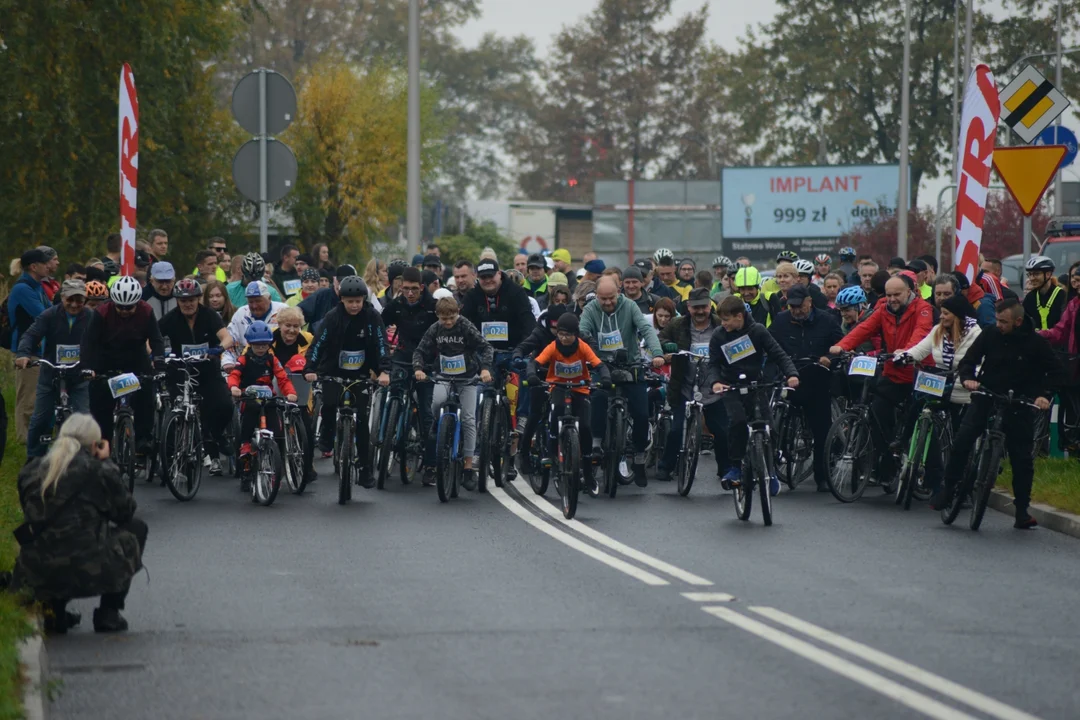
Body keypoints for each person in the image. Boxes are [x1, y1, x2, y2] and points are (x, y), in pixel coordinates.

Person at [930, 299, 1061, 528]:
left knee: (1022, 458)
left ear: (1018, 321)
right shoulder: (990, 334)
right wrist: (968, 379)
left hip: (1019, 403)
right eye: (998, 320)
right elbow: (969, 361)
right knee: (963, 439)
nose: (998, 325)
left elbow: (1056, 372)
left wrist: (1044, 396)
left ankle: (1022, 511)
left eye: (1004, 321)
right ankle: (948, 489)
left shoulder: (1036, 343)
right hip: (987, 395)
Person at [13, 414, 147, 634]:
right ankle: (109, 613)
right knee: (137, 528)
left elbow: (32, 516)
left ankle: (54, 611)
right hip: (89, 572)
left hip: (37, 572)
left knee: (53, 539)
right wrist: (106, 461)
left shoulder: (31, 471)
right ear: (95, 445)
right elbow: (126, 512)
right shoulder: (99, 470)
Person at [829, 276, 934, 484]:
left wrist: (908, 351)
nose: (892, 299)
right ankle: (884, 466)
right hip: (892, 372)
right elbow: (864, 328)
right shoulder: (884, 310)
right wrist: (843, 345)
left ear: (909, 291)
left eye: (897, 294)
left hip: (917, 371)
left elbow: (922, 331)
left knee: (920, 418)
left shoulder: (922, 309)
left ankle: (927, 472)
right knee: (877, 414)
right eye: (888, 295)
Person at [708, 295, 799, 493]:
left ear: (739, 316)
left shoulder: (758, 331)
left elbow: (778, 354)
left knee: (768, 426)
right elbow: (713, 364)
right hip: (731, 386)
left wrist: (791, 374)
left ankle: (771, 471)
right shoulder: (719, 335)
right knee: (737, 422)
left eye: (726, 320)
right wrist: (715, 382)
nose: (723, 324)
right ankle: (735, 467)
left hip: (756, 385)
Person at [579, 276, 664, 486]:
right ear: (596, 295)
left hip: (631, 366)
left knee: (642, 413)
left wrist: (657, 353)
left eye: (611, 298)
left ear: (619, 292)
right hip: (601, 365)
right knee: (597, 398)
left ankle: (638, 458)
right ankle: (597, 443)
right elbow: (582, 333)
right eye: (603, 299)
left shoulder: (631, 306)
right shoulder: (590, 310)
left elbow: (646, 330)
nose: (607, 303)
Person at [303, 277, 389, 475]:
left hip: (361, 372)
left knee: (362, 418)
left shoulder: (372, 316)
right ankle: (327, 435)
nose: (354, 305)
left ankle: (365, 468)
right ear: (342, 300)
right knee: (330, 403)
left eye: (358, 301)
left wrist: (384, 371)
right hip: (334, 370)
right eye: (350, 301)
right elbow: (318, 344)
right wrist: (310, 368)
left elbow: (381, 344)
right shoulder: (333, 317)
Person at [896, 293, 981, 491]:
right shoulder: (937, 331)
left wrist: (971, 378)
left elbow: (979, 363)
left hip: (963, 392)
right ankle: (902, 442)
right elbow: (920, 350)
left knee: (962, 441)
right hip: (941, 386)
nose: (941, 317)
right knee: (918, 404)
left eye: (945, 313)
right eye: (941, 313)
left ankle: (964, 483)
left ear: (957, 315)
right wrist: (904, 357)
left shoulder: (975, 334)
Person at [413, 296, 493, 491]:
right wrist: (418, 368)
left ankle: (467, 467)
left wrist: (485, 369)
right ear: (438, 316)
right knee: (436, 402)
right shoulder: (435, 329)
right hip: (443, 376)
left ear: (458, 313)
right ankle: (436, 427)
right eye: (444, 318)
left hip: (467, 378)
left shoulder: (465, 326)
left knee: (468, 418)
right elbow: (420, 351)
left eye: (452, 317)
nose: (448, 322)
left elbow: (486, 347)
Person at [768, 284, 842, 492]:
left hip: (817, 379)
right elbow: (769, 344)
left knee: (821, 430)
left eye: (799, 306)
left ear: (809, 302)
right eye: (792, 307)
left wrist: (830, 358)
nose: (796, 311)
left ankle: (822, 476)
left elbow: (841, 345)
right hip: (789, 377)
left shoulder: (826, 321)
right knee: (774, 415)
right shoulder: (781, 321)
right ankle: (778, 452)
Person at [158, 279, 235, 476]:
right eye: (183, 301)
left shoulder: (209, 315)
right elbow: (153, 338)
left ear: (199, 299)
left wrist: (218, 348)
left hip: (208, 370)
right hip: (180, 371)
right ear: (177, 301)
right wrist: (155, 354)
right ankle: (173, 456)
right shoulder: (170, 318)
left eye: (192, 300)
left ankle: (215, 435)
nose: (188, 304)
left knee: (224, 406)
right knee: (176, 411)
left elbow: (227, 338)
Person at [81, 276, 164, 454]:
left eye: (129, 308)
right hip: (106, 359)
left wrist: (159, 362)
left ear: (137, 303)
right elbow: (89, 342)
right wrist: (88, 367)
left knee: (146, 393)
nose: (124, 311)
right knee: (100, 402)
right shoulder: (101, 312)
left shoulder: (146, 311)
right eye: (120, 307)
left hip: (136, 358)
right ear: (113, 302)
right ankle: (103, 443)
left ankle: (143, 438)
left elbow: (156, 340)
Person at [656, 288, 729, 483]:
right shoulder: (678, 324)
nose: (699, 311)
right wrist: (666, 345)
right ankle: (666, 466)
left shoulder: (720, 325)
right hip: (685, 387)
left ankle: (726, 469)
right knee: (676, 429)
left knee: (722, 431)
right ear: (688, 307)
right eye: (695, 307)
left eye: (703, 307)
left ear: (709, 306)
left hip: (714, 388)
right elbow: (660, 338)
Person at [528, 312, 605, 492]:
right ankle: (551, 452)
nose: (563, 338)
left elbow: (599, 364)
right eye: (560, 334)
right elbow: (535, 362)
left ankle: (587, 473)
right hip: (558, 387)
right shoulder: (553, 346)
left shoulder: (583, 347)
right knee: (557, 411)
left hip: (580, 389)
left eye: (568, 335)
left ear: (575, 334)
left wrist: (605, 378)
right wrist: (532, 374)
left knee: (585, 427)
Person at [16, 280, 94, 458]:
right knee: (40, 419)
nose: (74, 304)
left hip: (78, 376)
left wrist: (95, 365)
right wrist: (23, 354)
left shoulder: (91, 317)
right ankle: (34, 460)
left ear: (85, 299)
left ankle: (86, 460)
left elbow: (101, 342)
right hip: (51, 374)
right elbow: (31, 335)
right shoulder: (49, 315)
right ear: (63, 297)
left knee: (84, 418)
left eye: (79, 300)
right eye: (70, 299)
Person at [381, 268, 438, 482]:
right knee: (394, 394)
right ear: (400, 287)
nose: (410, 293)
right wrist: (383, 353)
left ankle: (431, 465)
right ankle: (387, 438)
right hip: (403, 357)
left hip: (426, 362)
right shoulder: (395, 306)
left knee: (425, 412)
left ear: (422, 287)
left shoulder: (433, 307)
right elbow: (379, 327)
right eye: (406, 289)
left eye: (414, 289)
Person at [228, 321, 298, 490]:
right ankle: (245, 460)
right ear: (250, 344)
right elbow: (234, 375)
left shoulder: (272, 360)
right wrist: (234, 387)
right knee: (248, 423)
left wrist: (290, 392)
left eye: (264, 345)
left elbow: (282, 378)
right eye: (257, 345)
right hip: (249, 399)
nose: (261, 348)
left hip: (268, 400)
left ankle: (277, 463)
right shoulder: (243, 360)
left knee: (277, 430)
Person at [8, 249, 54, 442]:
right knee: (28, 398)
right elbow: (44, 314)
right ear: (34, 267)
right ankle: (24, 440)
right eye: (45, 263)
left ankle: (35, 438)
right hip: (26, 351)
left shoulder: (37, 286)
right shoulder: (23, 288)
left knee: (38, 398)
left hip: (39, 350)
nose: (48, 266)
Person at [270, 307, 317, 484]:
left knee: (307, 427)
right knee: (273, 427)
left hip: (300, 391)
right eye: (287, 325)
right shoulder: (268, 339)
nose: (292, 330)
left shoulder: (308, 339)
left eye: (296, 326)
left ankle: (307, 466)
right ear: (279, 324)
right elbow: (249, 354)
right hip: (274, 389)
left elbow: (318, 355)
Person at [225, 281, 288, 364]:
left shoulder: (283, 311)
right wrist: (227, 362)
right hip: (246, 364)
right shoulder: (241, 313)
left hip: (278, 363)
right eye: (251, 302)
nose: (254, 306)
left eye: (258, 301)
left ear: (269, 298)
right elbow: (229, 340)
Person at [298, 264, 361, 332]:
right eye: (340, 281)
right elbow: (297, 312)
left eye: (348, 282)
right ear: (334, 280)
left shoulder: (360, 300)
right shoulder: (321, 295)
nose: (343, 286)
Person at [1022, 255, 1067, 331]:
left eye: (1036, 274)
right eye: (1030, 274)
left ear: (1048, 274)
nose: (1032, 278)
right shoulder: (1030, 298)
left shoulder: (1062, 296)